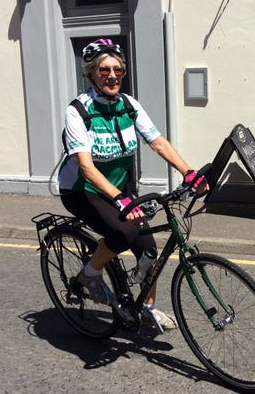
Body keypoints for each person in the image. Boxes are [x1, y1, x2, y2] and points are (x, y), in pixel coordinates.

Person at [58, 38, 207, 333]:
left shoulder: (129, 105)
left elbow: (158, 142)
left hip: (120, 189)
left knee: (148, 247)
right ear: (91, 73)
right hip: (82, 191)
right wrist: (120, 200)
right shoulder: (78, 111)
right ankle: (91, 273)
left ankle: (147, 307)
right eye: (104, 70)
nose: (112, 75)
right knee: (124, 232)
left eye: (117, 70)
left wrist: (188, 172)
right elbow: (86, 168)